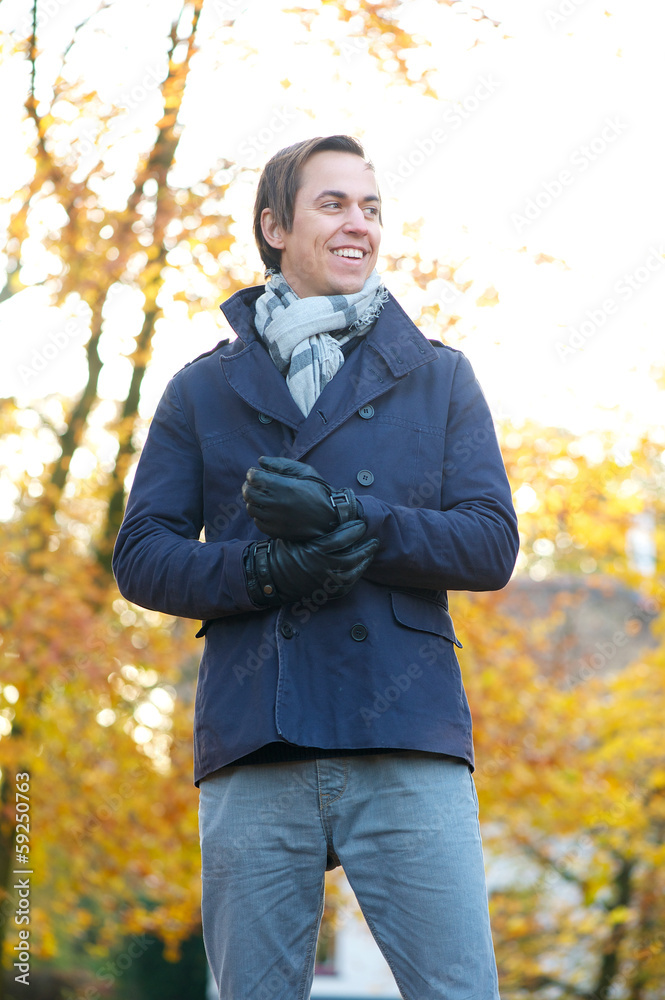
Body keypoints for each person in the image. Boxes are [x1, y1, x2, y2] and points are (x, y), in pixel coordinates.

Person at [113, 134, 519, 1000]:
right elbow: (142, 558)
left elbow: (489, 544)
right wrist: (262, 572)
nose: (359, 225)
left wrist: (354, 518)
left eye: (371, 208)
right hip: (257, 736)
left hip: (404, 731)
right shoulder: (202, 390)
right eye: (333, 203)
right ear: (274, 226)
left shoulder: (438, 377)